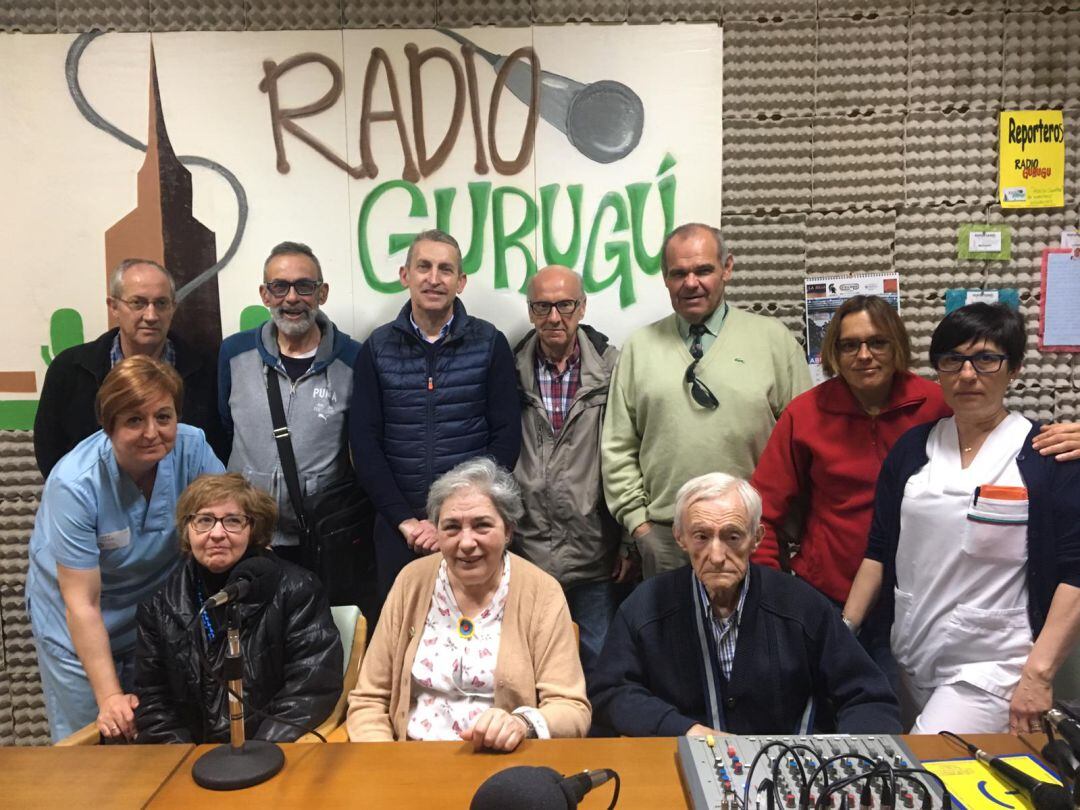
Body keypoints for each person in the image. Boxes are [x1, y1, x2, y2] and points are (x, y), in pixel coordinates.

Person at [751, 296, 1080, 667]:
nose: (864, 355)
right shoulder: (804, 414)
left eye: (878, 342)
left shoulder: (938, 402)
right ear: (833, 352)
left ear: (897, 346)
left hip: (918, 600)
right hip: (827, 593)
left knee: (897, 713)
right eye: (849, 345)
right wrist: (774, 595)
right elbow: (762, 514)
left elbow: (1003, 432)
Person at [844, 303, 1080, 734]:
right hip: (909, 655)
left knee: (923, 775)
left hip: (992, 666)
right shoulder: (913, 449)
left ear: (1014, 369)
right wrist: (845, 631)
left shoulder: (1045, 456)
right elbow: (878, 552)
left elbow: (1075, 574)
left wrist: (1039, 674)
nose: (968, 374)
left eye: (986, 359)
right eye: (953, 360)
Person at [589, 472, 900, 737]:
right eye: (701, 536)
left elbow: (869, 697)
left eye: (733, 536)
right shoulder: (644, 608)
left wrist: (850, 760)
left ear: (757, 537)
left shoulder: (802, 606)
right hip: (681, 764)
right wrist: (682, 729)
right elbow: (610, 691)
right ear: (679, 537)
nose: (717, 555)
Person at [25, 356, 224, 742]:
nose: (153, 432)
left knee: (154, 730)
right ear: (109, 424)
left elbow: (230, 510)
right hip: (75, 620)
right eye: (134, 420)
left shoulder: (192, 448)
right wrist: (110, 696)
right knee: (97, 735)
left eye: (163, 417)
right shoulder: (75, 483)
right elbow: (81, 603)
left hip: (149, 615)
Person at [602, 223, 811, 578]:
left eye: (703, 270)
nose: (691, 283)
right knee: (673, 634)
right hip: (667, 537)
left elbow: (804, 444)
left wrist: (786, 527)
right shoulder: (639, 347)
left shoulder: (774, 341)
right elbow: (618, 447)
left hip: (750, 535)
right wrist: (639, 526)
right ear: (665, 279)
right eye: (678, 273)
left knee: (751, 633)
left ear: (727, 268)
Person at [346, 458, 590, 750]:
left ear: (508, 531)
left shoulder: (541, 592)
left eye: (482, 525)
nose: (466, 542)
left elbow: (571, 709)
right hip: (409, 762)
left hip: (504, 766)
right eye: (451, 527)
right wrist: (385, 762)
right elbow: (369, 699)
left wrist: (522, 723)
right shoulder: (412, 581)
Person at [350, 229, 521, 600]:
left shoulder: (490, 343)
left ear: (460, 282)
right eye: (423, 266)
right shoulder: (376, 349)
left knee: (478, 631)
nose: (433, 278)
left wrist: (460, 514)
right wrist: (407, 521)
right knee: (403, 637)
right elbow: (364, 444)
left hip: (471, 528)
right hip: (399, 531)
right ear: (405, 275)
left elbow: (506, 437)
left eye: (445, 269)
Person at [133, 473, 342, 743]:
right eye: (204, 520)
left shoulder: (297, 589)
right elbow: (153, 702)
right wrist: (183, 759)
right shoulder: (160, 605)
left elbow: (312, 687)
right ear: (187, 529)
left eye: (233, 521)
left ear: (253, 529)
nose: (217, 534)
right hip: (188, 762)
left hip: (272, 754)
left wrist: (259, 752)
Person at [512, 265, 634, 675]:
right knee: (530, 664)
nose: (554, 317)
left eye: (565, 305)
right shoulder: (508, 373)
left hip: (595, 554)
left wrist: (627, 542)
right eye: (542, 306)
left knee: (600, 662)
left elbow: (629, 455)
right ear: (530, 311)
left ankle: (596, 739)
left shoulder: (614, 371)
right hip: (528, 553)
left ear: (581, 307)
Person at [218, 241, 361, 558]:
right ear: (265, 295)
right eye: (280, 286)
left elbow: (357, 448)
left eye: (304, 286)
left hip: (318, 535)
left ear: (321, 293)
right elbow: (226, 430)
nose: (292, 298)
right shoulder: (234, 354)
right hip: (245, 533)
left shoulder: (354, 360)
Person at [34, 258, 225, 479]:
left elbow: (218, 447)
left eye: (161, 303)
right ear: (113, 306)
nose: (151, 316)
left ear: (173, 307)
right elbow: (50, 451)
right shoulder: (69, 370)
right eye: (138, 303)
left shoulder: (206, 370)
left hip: (185, 506)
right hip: (95, 506)